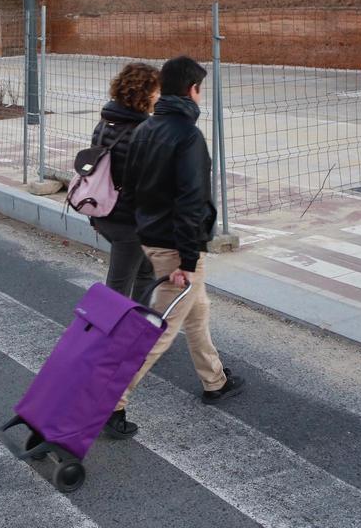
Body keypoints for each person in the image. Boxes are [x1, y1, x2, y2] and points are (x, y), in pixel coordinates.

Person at [103, 56, 245, 440]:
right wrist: (186, 258)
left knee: (197, 309)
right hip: (176, 248)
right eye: (201, 89)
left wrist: (149, 233)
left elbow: (130, 188)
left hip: (151, 239)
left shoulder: (146, 128)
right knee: (158, 330)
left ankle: (214, 380)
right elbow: (191, 202)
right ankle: (110, 401)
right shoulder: (187, 136)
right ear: (193, 90)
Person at [90, 62, 160, 301]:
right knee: (117, 290)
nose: (159, 96)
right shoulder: (143, 132)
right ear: (144, 93)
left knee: (146, 273)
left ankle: (137, 331)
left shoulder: (105, 122)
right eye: (156, 91)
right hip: (128, 224)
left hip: (104, 214)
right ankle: (102, 336)